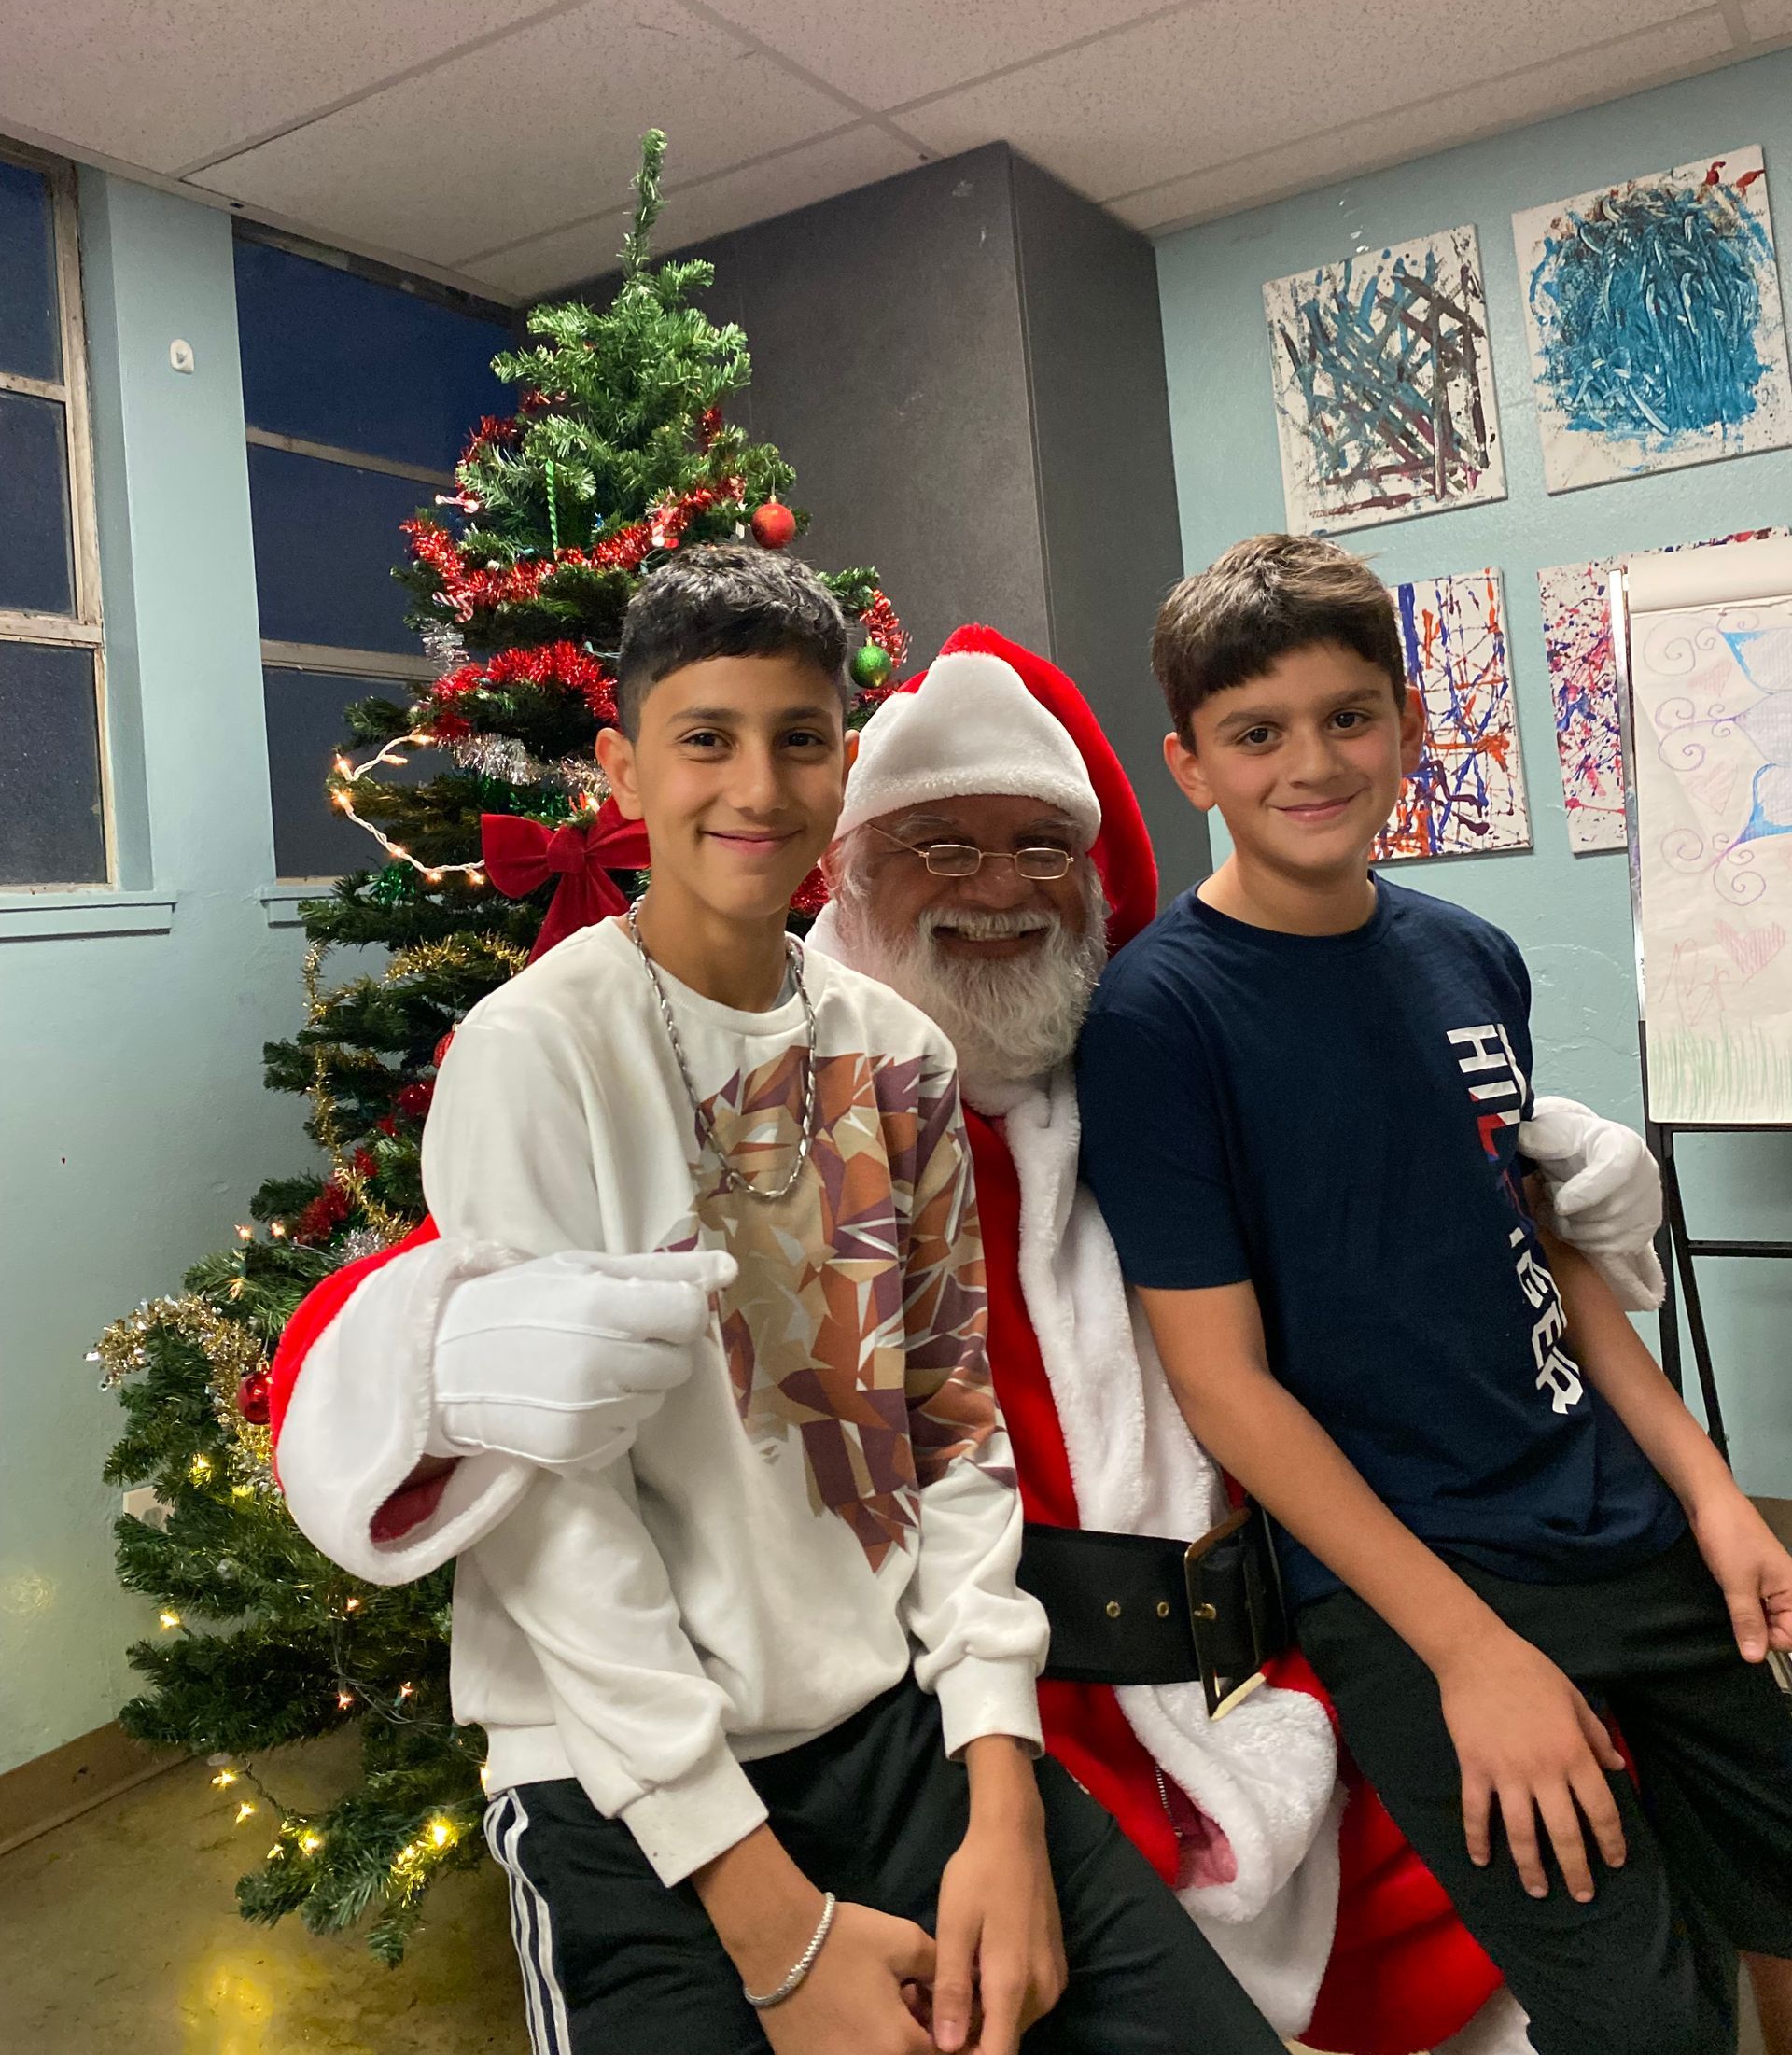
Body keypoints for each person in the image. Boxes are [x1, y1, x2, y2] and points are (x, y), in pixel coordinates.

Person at [272, 548, 1286, 2055]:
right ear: (623, 768)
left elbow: (953, 1432)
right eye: (707, 738)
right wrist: (775, 1930)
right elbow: (549, 1520)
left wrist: (1002, 1784)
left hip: (897, 1727)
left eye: (798, 739)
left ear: (841, 767)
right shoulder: (536, 1055)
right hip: (619, 1785)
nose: (755, 786)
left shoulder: (900, 1054)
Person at [808, 623, 1663, 2055]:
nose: (1002, 888)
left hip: (1292, 1664)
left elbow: (1370, 1188)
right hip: (992, 1734)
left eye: (1043, 847)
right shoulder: (789, 1102)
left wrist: (1540, 1165)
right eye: (941, 848)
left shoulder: (1147, 1052)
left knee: (1572, 1904)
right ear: (846, 871)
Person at [1076, 533, 1792, 2055]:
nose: (1311, 763)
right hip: (1417, 1581)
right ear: (1189, 763)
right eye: (1257, 733)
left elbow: (1545, 1256)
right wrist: (1471, 1654)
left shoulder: (1473, 956)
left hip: (1623, 1522)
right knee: (1646, 2019)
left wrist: (1713, 1494)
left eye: (1348, 716)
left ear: (1407, 724)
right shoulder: (1159, 1017)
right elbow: (1224, 1385)